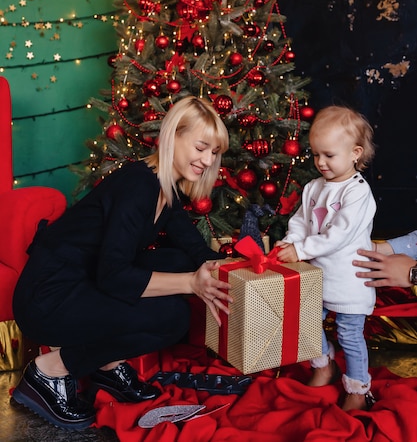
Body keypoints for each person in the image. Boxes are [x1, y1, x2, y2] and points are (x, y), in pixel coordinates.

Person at [12, 96, 233, 431]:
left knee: (176, 257)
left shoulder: (166, 190)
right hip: (46, 297)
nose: (207, 160)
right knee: (173, 317)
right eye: (201, 147)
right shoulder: (138, 185)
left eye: (214, 153)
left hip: (80, 283)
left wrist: (249, 267)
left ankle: (106, 364)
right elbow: (114, 276)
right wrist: (191, 283)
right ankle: (50, 370)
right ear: (173, 136)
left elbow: (196, 250)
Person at [275, 105, 376, 411]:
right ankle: (322, 365)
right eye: (316, 154)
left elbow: (339, 234)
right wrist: (289, 243)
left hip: (348, 278)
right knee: (305, 322)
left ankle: (358, 388)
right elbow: (301, 221)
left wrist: (301, 250)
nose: (320, 162)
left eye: (329, 155)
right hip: (317, 276)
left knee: (349, 333)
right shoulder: (313, 188)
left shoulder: (357, 192)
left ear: (355, 153)